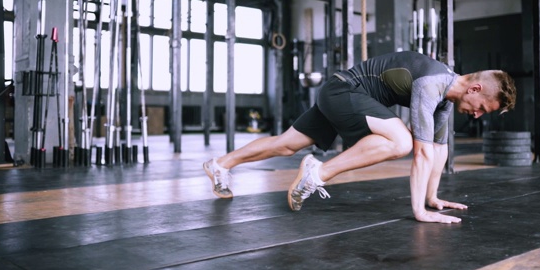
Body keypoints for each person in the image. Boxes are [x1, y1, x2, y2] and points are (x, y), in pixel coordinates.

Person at [204, 51, 516, 224]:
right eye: (482, 109)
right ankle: (318, 172)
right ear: (475, 90)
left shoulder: (446, 98)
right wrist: (419, 212)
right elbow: (420, 153)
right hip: (343, 91)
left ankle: (220, 164)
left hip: (343, 96)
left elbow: (438, 149)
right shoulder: (432, 83)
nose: (477, 115)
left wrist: (432, 198)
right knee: (402, 141)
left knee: (286, 144)